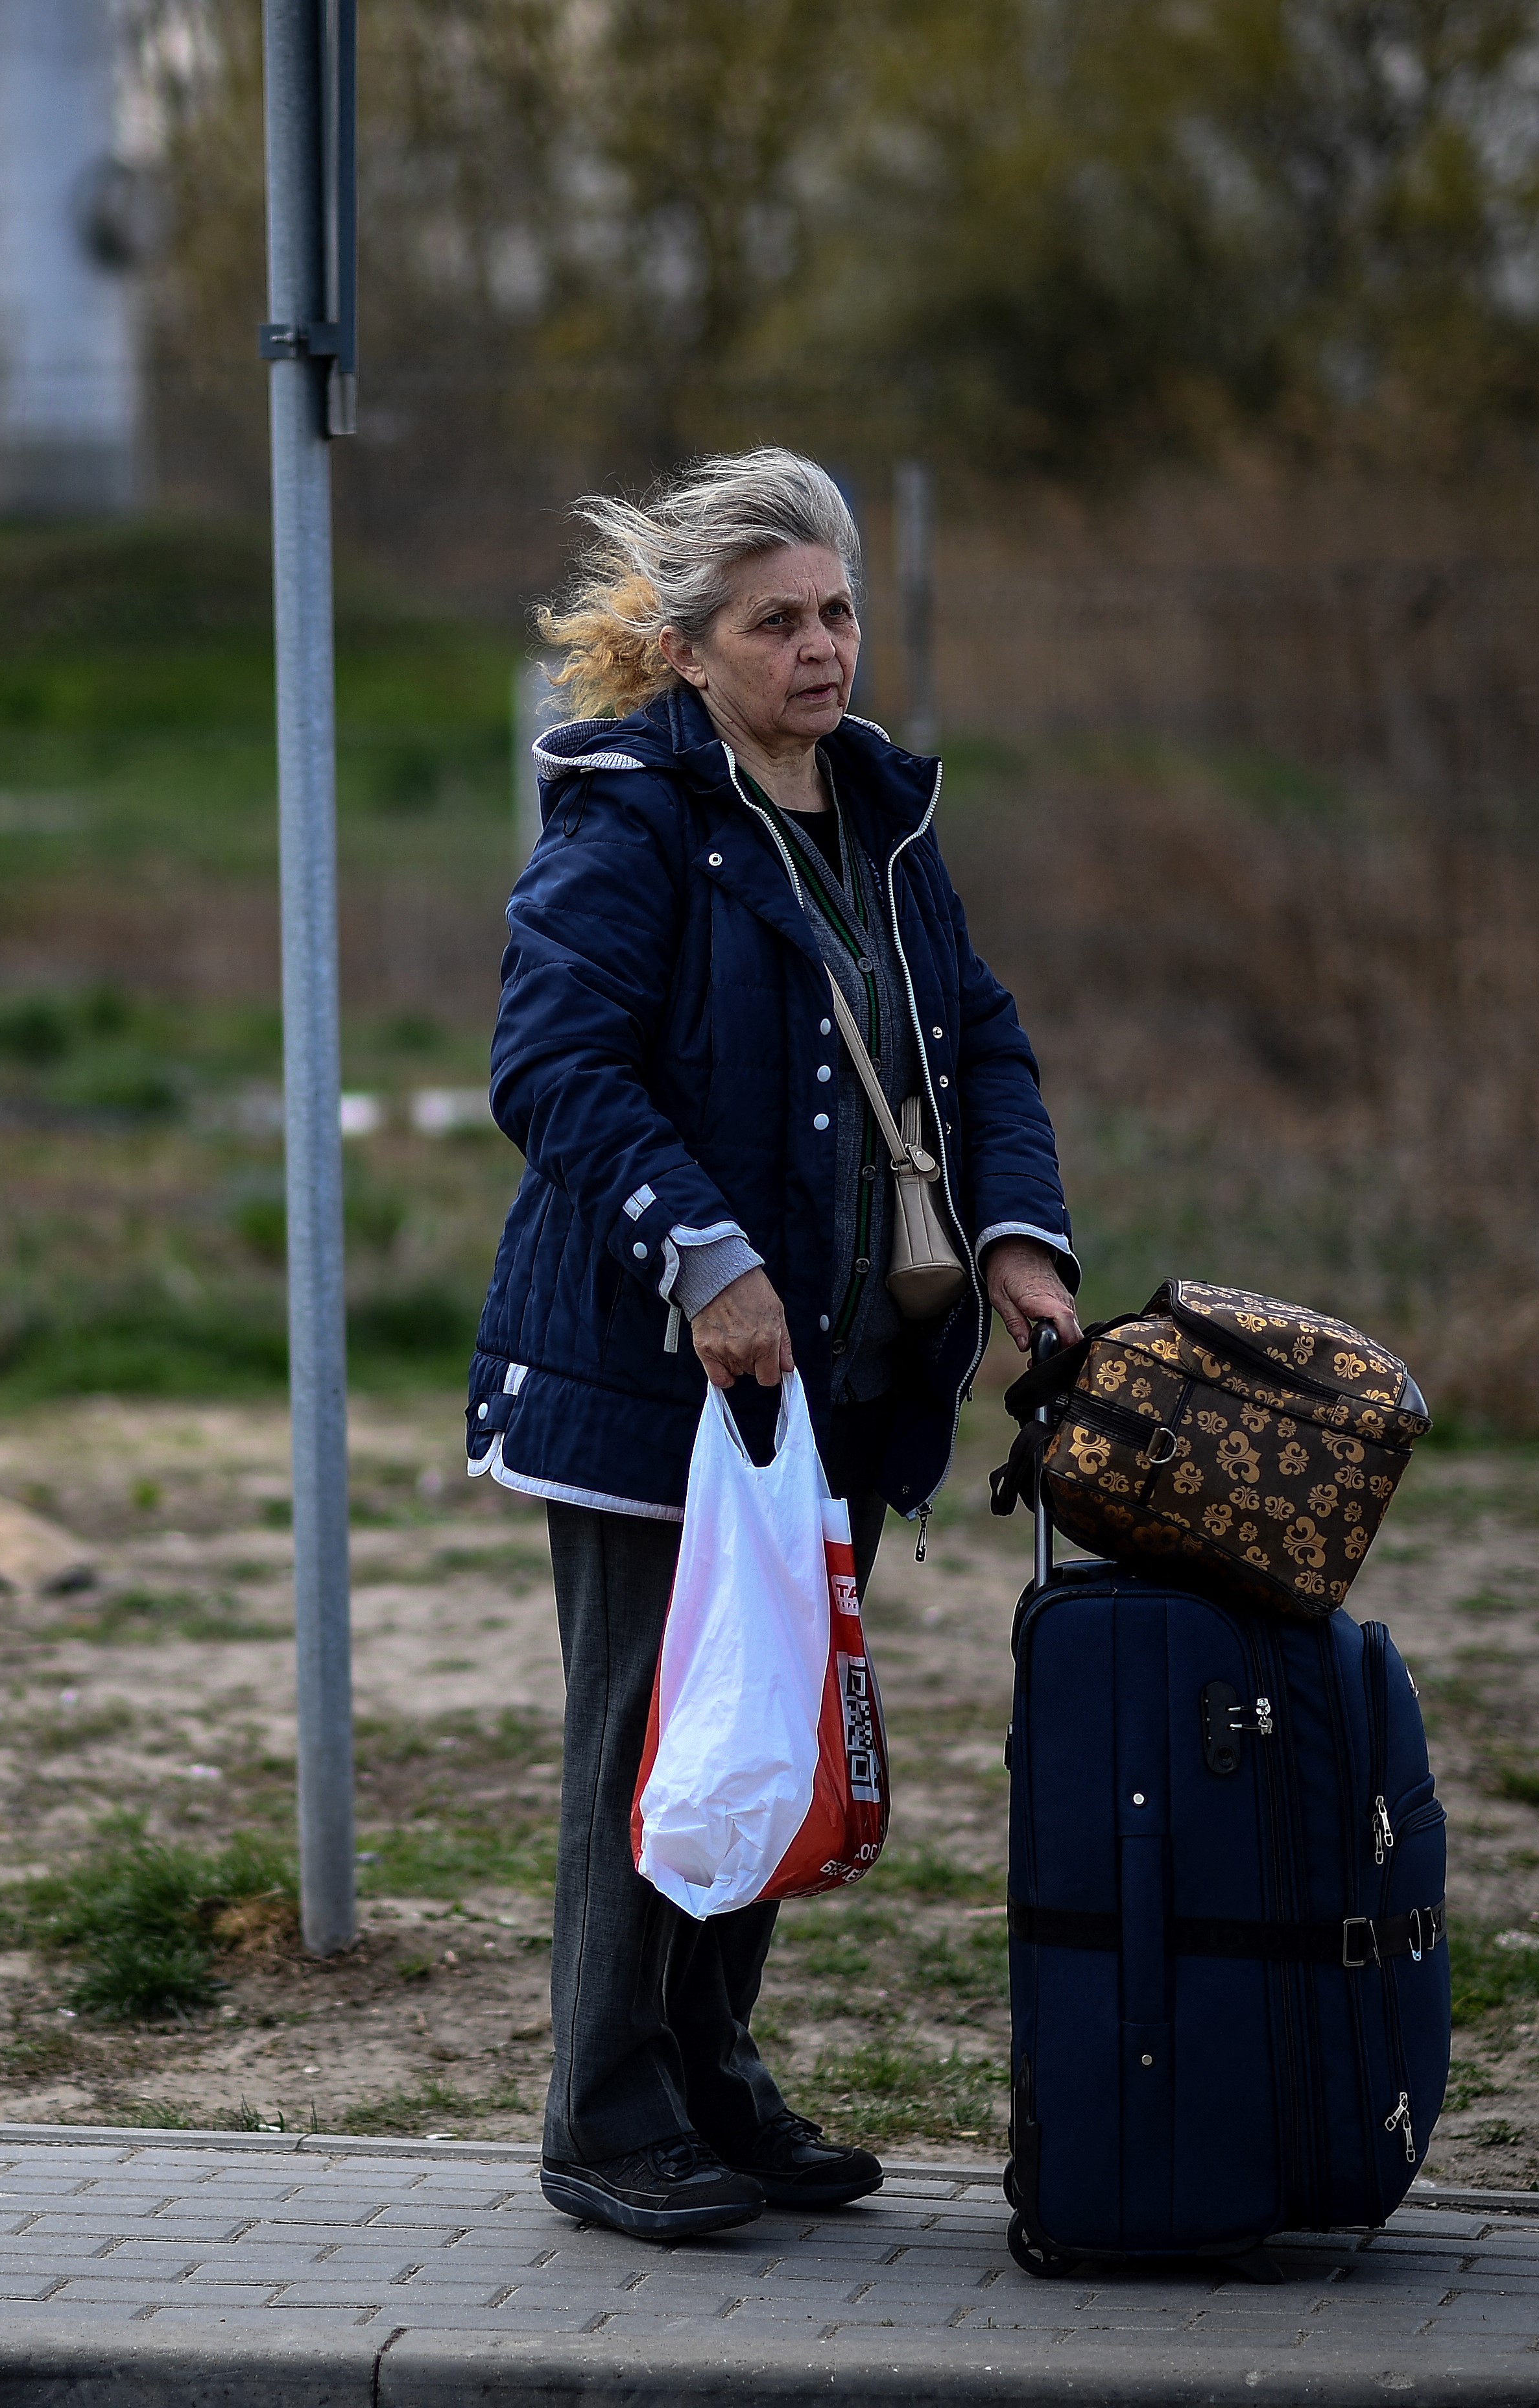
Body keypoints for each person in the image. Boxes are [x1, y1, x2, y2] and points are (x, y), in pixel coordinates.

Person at [466, 448, 1080, 2243]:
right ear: (686, 648)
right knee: (653, 1740)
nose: (823, 652)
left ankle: (714, 2082)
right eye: (777, 622)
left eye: (839, 613)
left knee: (772, 1727)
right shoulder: (631, 815)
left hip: (830, 1382)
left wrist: (1021, 1244)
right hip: (657, 1372)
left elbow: (980, 1043)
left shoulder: (880, 812)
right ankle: (607, 2109)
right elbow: (554, 1071)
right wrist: (707, 1258)